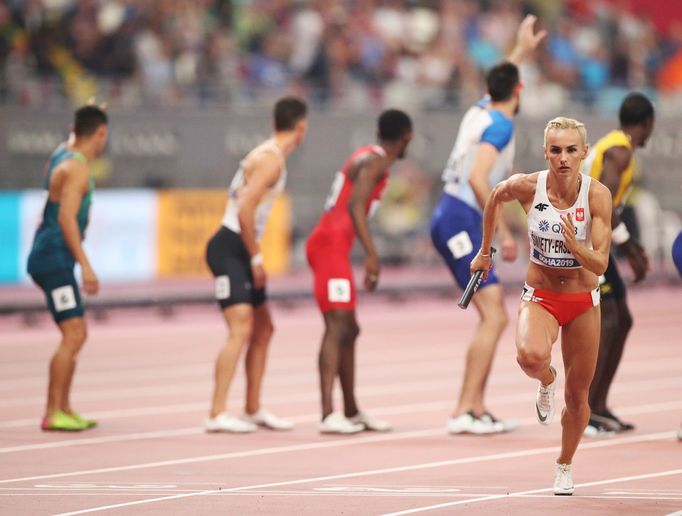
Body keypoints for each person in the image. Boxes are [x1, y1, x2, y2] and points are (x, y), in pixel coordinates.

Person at [472, 117, 612, 495]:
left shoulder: (597, 195)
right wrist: (485, 251)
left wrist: (577, 248)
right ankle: (546, 379)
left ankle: (564, 464)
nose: (563, 158)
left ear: (584, 152)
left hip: (583, 301)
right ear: (545, 152)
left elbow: (600, 264)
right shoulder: (527, 186)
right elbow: (493, 196)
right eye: (555, 150)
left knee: (578, 397)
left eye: (571, 150)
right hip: (542, 294)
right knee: (529, 356)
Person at [429, 14, 546, 434]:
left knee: (493, 315)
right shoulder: (498, 127)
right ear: (520, 89)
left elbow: (502, 79)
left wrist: (519, 49)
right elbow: (479, 179)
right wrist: (502, 231)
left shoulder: (481, 109)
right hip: (460, 217)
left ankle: (474, 408)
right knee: (494, 316)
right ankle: (465, 410)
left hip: (453, 215)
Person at [204, 96, 308, 433]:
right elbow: (245, 209)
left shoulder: (266, 154)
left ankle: (252, 407)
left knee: (264, 329)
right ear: (301, 128)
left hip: (239, 246)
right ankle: (217, 412)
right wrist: (256, 257)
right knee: (241, 328)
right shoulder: (271, 161)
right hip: (230, 246)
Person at [306, 109, 413, 434]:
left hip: (332, 245)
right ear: (405, 138)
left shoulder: (367, 154)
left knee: (349, 328)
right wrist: (371, 255)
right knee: (337, 324)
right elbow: (355, 205)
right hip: (330, 246)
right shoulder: (376, 161)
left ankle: (351, 410)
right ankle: (328, 413)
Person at [27, 104, 109, 431]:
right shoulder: (77, 169)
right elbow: (65, 219)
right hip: (54, 257)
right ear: (101, 133)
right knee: (73, 333)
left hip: (53, 256)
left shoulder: (61, 156)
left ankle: (64, 406)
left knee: (77, 333)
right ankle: (52, 412)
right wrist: (86, 266)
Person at [582, 92, 655, 435]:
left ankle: (599, 405)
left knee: (621, 318)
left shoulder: (614, 144)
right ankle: (586, 409)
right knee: (611, 319)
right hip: (585, 240)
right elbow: (605, 203)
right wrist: (632, 247)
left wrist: (628, 248)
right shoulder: (621, 151)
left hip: (596, 239)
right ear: (647, 124)